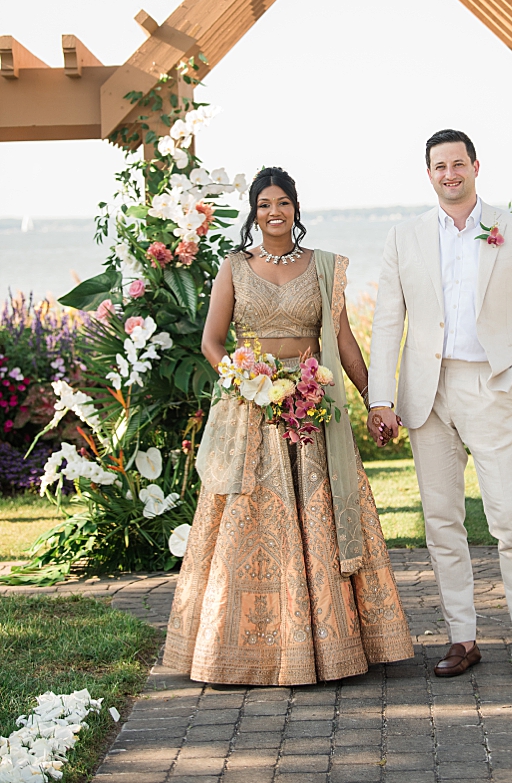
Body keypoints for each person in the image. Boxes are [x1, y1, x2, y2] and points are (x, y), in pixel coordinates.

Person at [163, 167, 413, 684]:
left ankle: (329, 644)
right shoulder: (234, 267)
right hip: (250, 410)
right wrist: (243, 380)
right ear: (253, 214)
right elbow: (212, 342)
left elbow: (342, 344)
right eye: (263, 205)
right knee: (246, 525)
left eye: (282, 203)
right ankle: (237, 648)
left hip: (311, 408)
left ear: (296, 209)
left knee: (316, 518)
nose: (273, 213)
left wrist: (374, 400)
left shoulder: (323, 268)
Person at [367, 129, 512, 679]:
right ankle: (462, 639)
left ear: (476, 166)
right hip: (427, 393)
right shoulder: (403, 237)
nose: (449, 174)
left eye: (458, 164)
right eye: (439, 166)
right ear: (428, 173)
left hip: (492, 385)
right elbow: (387, 323)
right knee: (441, 522)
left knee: (511, 518)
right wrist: (382, 398)